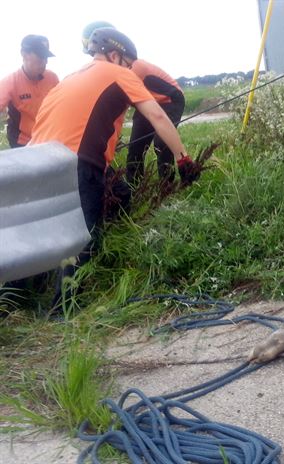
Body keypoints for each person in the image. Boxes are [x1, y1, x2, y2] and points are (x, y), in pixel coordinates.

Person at [29, 27, 198, 312]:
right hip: (77, 162)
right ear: (115, 55)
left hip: (39, 161)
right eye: (129, 64)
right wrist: (183, 157)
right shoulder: (118, 73)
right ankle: (64, 309)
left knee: (113, 197)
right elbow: (156, 113)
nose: (132, 70)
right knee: (82, 234)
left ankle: (15, 296)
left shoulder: (70, 78)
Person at [81, 22, 186, 186]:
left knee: (161, 143)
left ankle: (167, 187)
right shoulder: (112, 67)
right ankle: (134, 186)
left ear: (113, 54)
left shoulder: (129, 69)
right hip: (147, 102)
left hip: (170, 99)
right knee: (136, 146)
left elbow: (118, 108)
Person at [0, 35, 58, 148]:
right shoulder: (10, 82)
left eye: (46, 57)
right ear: (23, 54)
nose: (45, 62)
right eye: (40, 56)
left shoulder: (52, 78)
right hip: (23, 143)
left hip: (48, 139)